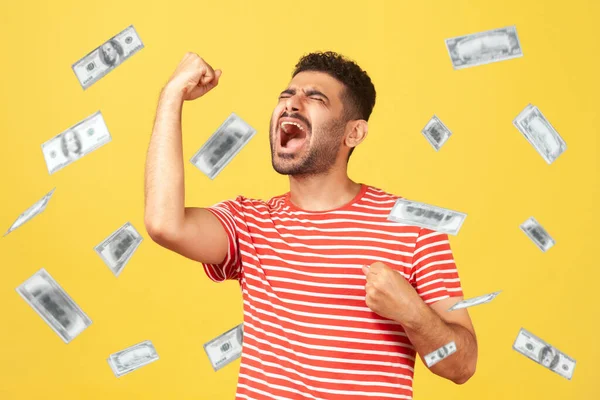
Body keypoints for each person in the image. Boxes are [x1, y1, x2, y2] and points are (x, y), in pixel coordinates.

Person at [144, 51, 478, 399]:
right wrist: (171, 95)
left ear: (354, 133)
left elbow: (462, 366)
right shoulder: (250, 224)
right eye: (286, 96)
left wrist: (413, 313)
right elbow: (164, 224)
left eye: (314, 98)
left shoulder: (414, 226)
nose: (292, 105)